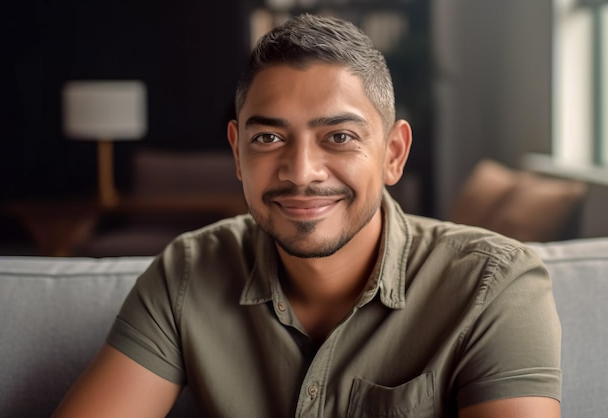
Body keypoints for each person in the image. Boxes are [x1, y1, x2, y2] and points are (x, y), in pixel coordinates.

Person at [52, 13, 561, 418]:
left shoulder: (494, 285)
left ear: (393, 154)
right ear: (237, 154)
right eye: (268, 138)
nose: (300, 172)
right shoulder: (187, 272)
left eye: (338, 137)